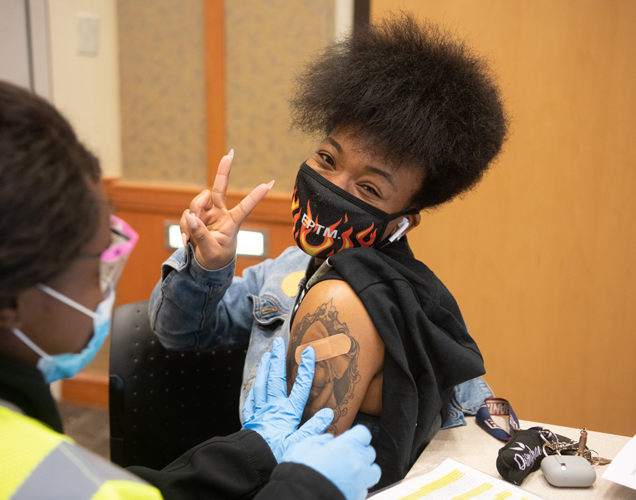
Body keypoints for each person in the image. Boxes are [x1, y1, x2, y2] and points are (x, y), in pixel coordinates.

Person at [0, 78, 381, 500]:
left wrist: (257, 451)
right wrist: (302, 489)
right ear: (9, 302)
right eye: (100, 265)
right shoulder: (48, 479)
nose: (102, 292)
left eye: (369, 186)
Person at [150, 13, 507, 489]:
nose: (333, 187)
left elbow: (468, 421)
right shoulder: (285, 271)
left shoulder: (384, 302)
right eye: (326, 159)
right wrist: (205, 266)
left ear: (401, 222)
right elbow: (178, 334)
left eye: (368, 188)